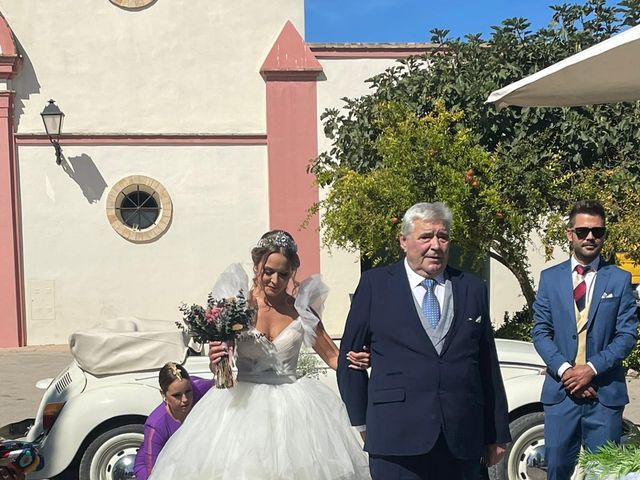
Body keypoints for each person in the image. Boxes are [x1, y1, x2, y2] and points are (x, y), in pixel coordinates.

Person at [148, 230, 371, 479]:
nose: (275, 280)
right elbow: (221, 363)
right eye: (269, 272)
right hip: (241, 407)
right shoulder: (237, 308)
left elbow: (332, 356)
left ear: (291, 273)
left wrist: (357, 360)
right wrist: (216, 359)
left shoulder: (302, 311)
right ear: (257, 267)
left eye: (283, 274)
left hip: (295, 410)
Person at [337, 201, 511, 480]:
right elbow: (349, 360)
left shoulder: (471, 287)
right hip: (396, 437)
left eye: (443, 237)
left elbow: (487, 365)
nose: (436, 245)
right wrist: (362, 422)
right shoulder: (375, 285)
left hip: (461, 438)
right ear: (404, 241)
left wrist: (497, 432)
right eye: (426, 237)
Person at [532, 199, 638, 480]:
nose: (590, 237)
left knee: (603, 473)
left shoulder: (619, 279)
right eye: (582, 231)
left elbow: (627, 335)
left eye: (597, 232)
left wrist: (590, 369)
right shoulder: (549, 279)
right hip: (561, 393)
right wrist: (567, 372)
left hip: (603, 395)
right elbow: (540, 332)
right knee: (556, 471)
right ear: (570, 234)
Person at [134, 362, 213, 480]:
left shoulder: (199, 388)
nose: (185, 399)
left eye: (188, 391)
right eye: (177, 395)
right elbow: (153, 472)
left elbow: (224, 386)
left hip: (189, 454)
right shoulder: (156, 425)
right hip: (154, 464)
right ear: (163, 394)